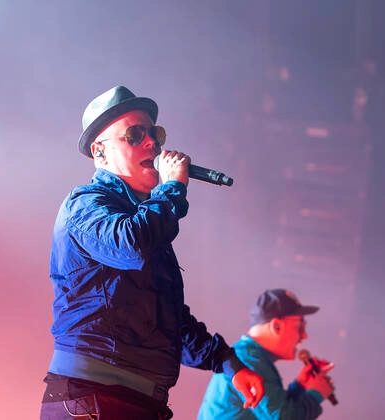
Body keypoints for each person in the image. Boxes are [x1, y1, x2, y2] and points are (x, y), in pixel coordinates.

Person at [40, 85, 264, 420]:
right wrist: (172, 189)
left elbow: (166, 318)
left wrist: (227, 363)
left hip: (140, 401)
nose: (152, 144)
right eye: (134, 134)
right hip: (93, 397)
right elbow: (131, 245)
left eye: (154, 134)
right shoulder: (86, 205)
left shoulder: (149, 219)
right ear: (100, 152)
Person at [198, 289, 336, 419]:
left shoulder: (248, 355)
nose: (304, 336)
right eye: (299, 327)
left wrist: (300, 386)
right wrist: (316, 394)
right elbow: (281, 417)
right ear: (276, 326)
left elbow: (271, 409)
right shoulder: (248, 359)